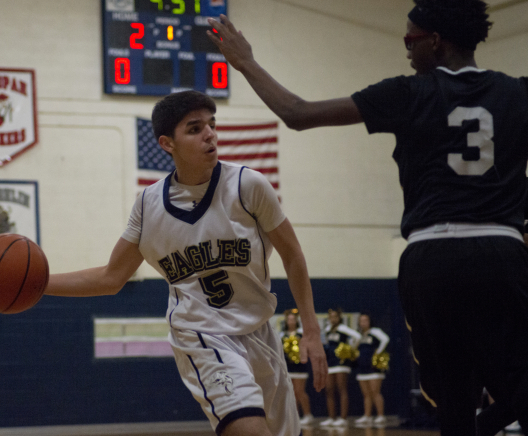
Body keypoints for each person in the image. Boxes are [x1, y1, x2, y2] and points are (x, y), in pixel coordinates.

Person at [206, 1, 528, 434]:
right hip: (501, 254)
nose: (407, 51)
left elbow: (298, 113)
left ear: (436, 41)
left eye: (411, 40)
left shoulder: (408, 92)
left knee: (453, 398)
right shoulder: (518, 93)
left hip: (430, 259)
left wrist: (246, 63)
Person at [44, 90, 328, 436]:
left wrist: (311, 332)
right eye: (194, 129)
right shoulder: (149, 205)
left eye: (211, 124)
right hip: (202, 334)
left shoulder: (247, 185)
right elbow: (111, 277)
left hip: (260, 333)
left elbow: (293, 254)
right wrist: (39, 284)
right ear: (167, 143)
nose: (209, 134)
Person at [320, 308, 361, 428]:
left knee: (341, 389)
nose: (333, 319)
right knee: (329, 390)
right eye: (331, 317)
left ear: (339, 318)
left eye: (335, 317)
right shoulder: (326, 330)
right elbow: (323, 343)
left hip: (341, 363)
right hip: (329, 363)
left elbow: (357, 337)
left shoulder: (343, 329)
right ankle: (331, 418)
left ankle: (343, 418)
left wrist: (350, 351)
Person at [354, 313, 390, 428]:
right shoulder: (359, 335)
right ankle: (367, 416)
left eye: (366, 320)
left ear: (370, 321)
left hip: (374, 367)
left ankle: (380, 416)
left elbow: (385, 339)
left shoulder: (375, 331)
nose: (363, 323)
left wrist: (378, 353)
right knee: (366, 394)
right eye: (361, 321)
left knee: (375, 392)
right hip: (362, 367)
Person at [280, 309, 314, 425]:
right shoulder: (283, 335)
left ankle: (308, 415)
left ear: (296, 321)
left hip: (300, 367)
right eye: (289, 319)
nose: (291, 321)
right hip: (288, 367)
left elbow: (307, 349)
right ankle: (296, 416)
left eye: (293, 319)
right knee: (292, 393)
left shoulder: (301, 334)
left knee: (300, 391)